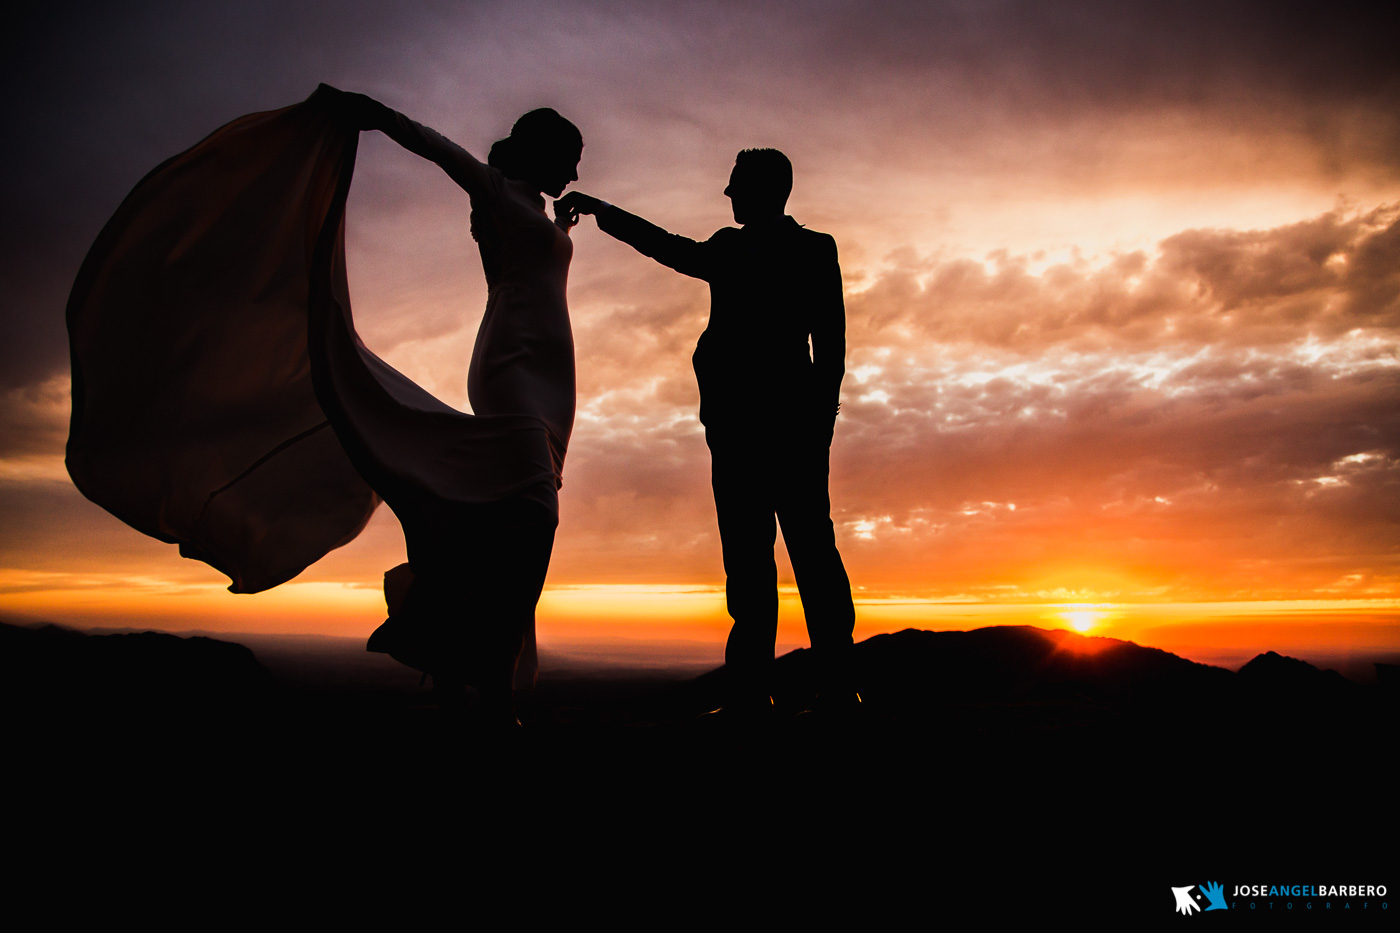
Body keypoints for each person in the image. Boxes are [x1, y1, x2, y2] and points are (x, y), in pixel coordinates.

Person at [65, 86, 583, 725]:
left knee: (515, 519)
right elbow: (435, 148)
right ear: (542, 149)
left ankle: (446, 656)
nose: (578, 174)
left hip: (556, 386)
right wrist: (371, 113)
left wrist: (562, 224)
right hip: (511, 370)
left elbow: (540, 258)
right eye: (572, 158)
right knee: (533, 516)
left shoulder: (532, 209)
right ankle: (495, 697)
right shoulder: (497, 191)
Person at [558, 149, 857, 714]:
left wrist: (821, 422)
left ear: (764, 189)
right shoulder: (734, 246)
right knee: (753, 562)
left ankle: (834, 687)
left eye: (735, 184)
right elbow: (666, 247)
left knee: (806, 554)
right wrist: (603, 211)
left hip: (782, 431)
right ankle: (756, 692)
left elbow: (832, 344)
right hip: (742, 430)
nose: (726, 193)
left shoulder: (809, 248)